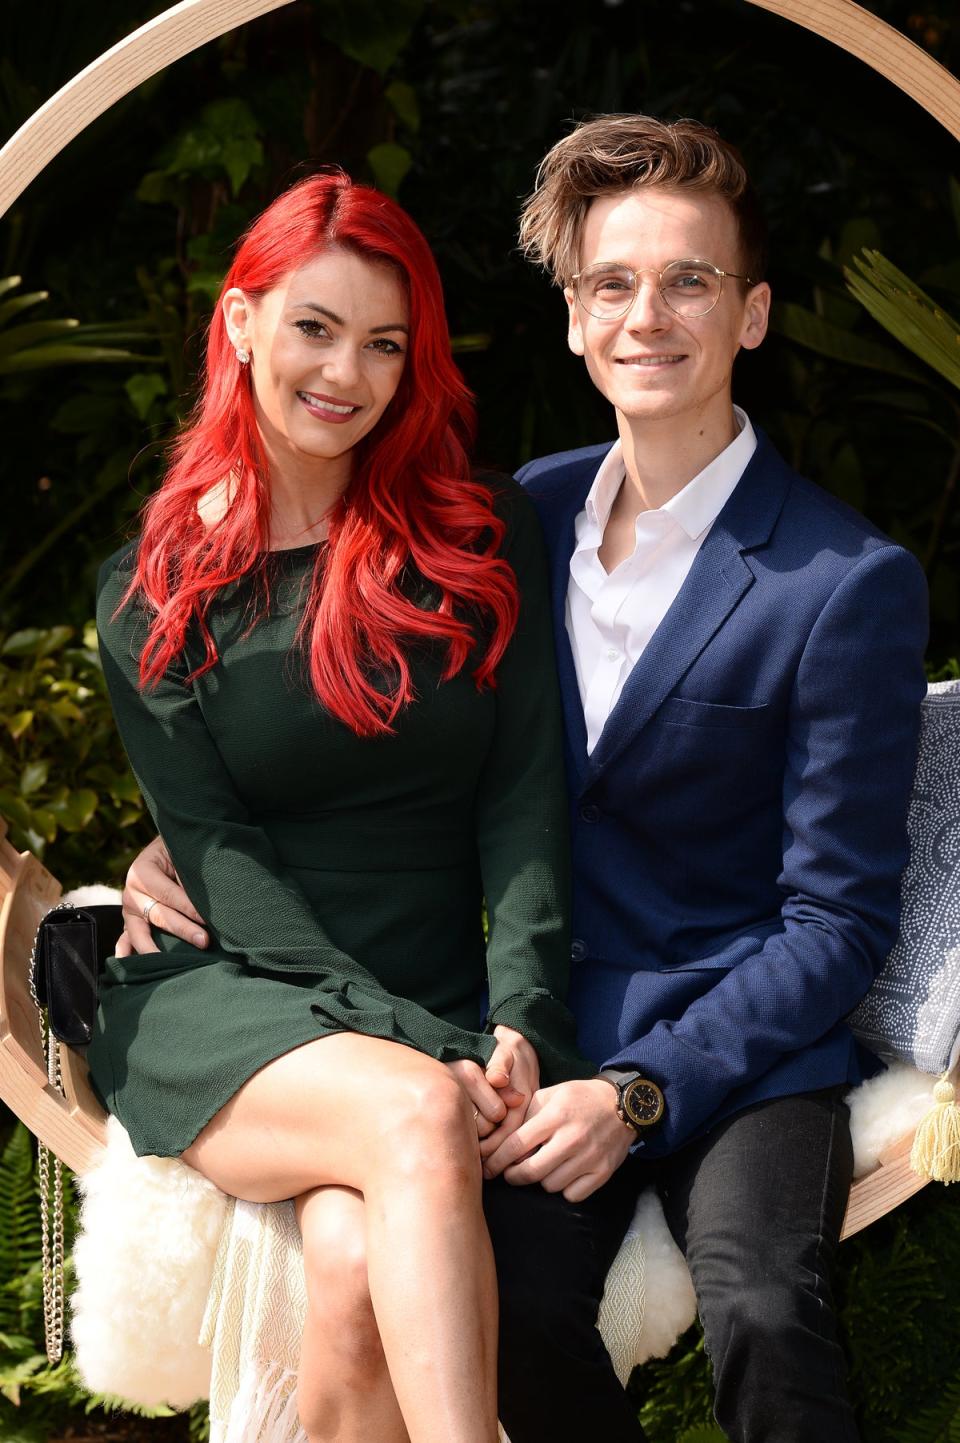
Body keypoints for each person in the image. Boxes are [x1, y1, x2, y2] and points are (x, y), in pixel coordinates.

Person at [124, 115, 929, 1443]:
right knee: (496, 1308)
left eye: (691, 281)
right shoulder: (514, 519)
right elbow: (345, 717)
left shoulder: (847, 581)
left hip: (747, 1044)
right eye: (612, 282)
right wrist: (198, 842)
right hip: (531, 1028)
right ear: (572, 318)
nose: (648, 315)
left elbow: (836, 919)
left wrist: (642, 1091)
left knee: (769, 1303)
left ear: (756, 313)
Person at [89, 169, 605, 1443]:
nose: (347, 373)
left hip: (422, 981)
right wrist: (429, 1048)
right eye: (314, 327)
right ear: (240, 322)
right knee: (418, 1108)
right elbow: (220, 856)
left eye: (384, 344)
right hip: (234, 987)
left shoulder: (482, 535)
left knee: (358, 1273)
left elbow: (526, 795)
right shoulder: (150, 590)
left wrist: (524, 1015)